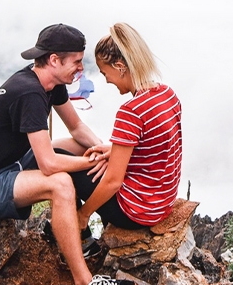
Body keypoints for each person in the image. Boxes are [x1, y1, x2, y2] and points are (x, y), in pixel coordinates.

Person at [0, 23, 137, 285]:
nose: (81, 69)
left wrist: (105, 151)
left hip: (13, 163)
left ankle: (74, 237)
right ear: (54, 60)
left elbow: (76, 129)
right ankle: (84, 284)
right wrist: (92, 164)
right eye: (76, 62)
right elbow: (50, 165)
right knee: (61, 183)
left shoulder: (49, 84)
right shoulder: (29, 93)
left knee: (74, 145)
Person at [73, 22, 182, 236]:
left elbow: (113, 182)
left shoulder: (131, 111)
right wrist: (114, 151)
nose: (106, 80)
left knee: (63, 162)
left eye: (106, 73)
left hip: (135, 212)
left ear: (120, 66)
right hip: (161, 204)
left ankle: (82, 240)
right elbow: (156, 146)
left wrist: (83, 214)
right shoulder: (167, 94)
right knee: (95, 160)